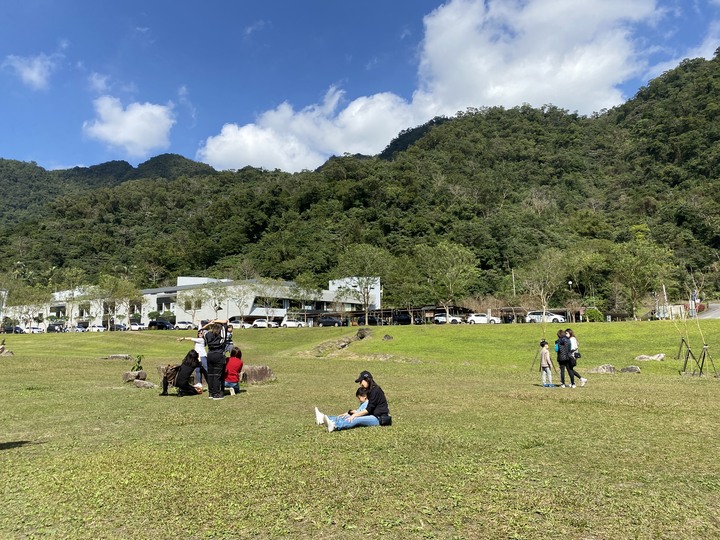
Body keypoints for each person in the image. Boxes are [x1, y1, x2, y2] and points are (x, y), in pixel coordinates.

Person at [321, 370, 391, 432]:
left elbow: (368, 410)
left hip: (379, 418)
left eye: (361, 381)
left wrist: (355, 415)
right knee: (349, 416)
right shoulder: (370, 391)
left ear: (367, 379)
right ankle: (326, 419)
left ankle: (335, 426)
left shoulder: (376, 391)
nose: (360, 384)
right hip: (372, 415)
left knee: (355, 419)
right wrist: (353, 413)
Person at [202, 318, 229, 400]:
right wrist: (216, 321)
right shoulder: (221, 335)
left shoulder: (208, 334)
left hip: (210, 355)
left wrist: (210, 323)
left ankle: (211, 392)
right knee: (217, 375)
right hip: (218, 355)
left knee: (210, 374)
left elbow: (203, 329)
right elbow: (225, 321)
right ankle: (216, 393)